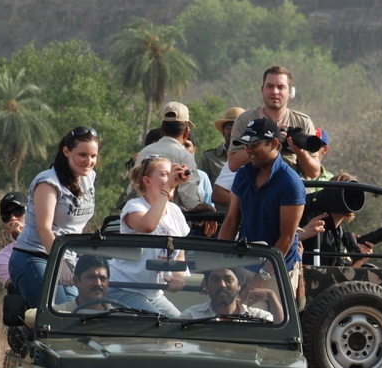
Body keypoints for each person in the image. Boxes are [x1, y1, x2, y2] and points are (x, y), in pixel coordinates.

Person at [218, 116, 307, 299]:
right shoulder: (243, 174)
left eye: (254, 145)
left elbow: (287, 238)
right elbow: (231, 221)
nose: (248, 150)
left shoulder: (290, 183)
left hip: (278, 269)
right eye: (245, 145)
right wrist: (217, 266)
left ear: (274, 143)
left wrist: (261, 279)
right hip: (245, 262)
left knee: (271, 322)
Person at [10, 126, 100, 306]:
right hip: (34, 256)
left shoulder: (89, 177)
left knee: (79, 313)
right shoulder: (49, 182)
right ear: (66, 151)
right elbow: (44, 228)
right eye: (82, 155)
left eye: (93, 156)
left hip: (65, 257)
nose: (88, 161)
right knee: (58, 314)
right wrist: (60, 264)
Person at [114, 155, 193, 315]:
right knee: (160, 324)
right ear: (147, 181)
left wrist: (178, 276)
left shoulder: (175, 211)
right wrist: (166, 189)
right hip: (125, 288)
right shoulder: (134, 206)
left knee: (182, 324)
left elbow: (179, 253)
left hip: (154, 293)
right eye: (164, 174)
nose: (170, 178)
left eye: (171, 173)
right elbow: (148, 225)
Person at [226, 65, 321, 179]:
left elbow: (314, 173)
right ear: (262, 89)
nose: (275, 91)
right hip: (256, 190)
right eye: (270, 86)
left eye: (281, 87)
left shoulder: (302, 122)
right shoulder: (246, 120)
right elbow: (233, 164)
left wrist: (300, 152)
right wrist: (263, 142)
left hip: (292, 191)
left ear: (290, 92)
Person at [133, 102, 212, 215]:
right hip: (169, 221)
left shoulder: (145, 152)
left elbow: (134, 189)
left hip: (141, 216)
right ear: (186, 133)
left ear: (162, 131)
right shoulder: (184, 156)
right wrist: (210, 211)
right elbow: (191, 202)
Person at [297, 172, 377, 267]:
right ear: (330, 195)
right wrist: (303, 234)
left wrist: (360, 260)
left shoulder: (340, 234)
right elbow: (280, 242)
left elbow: (340, 276)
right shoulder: (311, 221)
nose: (349, 198)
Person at [178, 266, 283, 323]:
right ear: (207, 285)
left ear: (239, 285)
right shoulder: (191, 317)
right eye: (215, 279)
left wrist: (271, 295)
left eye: (228, 279)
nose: (222, 285)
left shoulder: (257, 317)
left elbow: (281, 332)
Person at [200, 106, 244, 199]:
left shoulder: (254, 157)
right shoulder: (209, 158)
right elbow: (200, 190)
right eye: (229, 127)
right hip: (218, 213)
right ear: (223, 131)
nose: (234, 131)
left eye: (239, 127)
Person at [0, 191, 26, 287]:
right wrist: (21, 238)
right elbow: (18, 289)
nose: (13, 218)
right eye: (6, 216)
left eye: (18, 212)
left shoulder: (52, 234)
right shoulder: (2, 258)